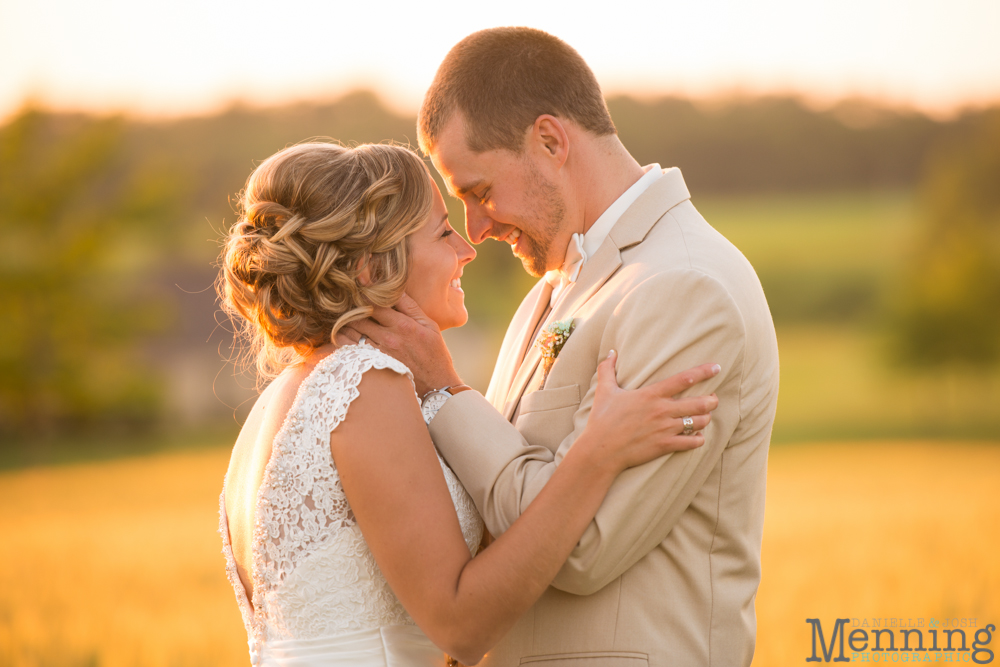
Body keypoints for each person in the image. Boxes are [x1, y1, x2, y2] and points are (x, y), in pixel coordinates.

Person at [342, 28, 780, 667]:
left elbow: (583, 546)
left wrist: (445, 389)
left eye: (481, 192)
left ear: (550, 141)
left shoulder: (686, 288)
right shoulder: (548, 293)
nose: (477, 229)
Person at [217, 141, 721, 666]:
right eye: (442, 232)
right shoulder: (363, 384)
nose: (467, 248)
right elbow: (460, 626)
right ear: (371, 267)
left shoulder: (275, 404)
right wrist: (597, 454)